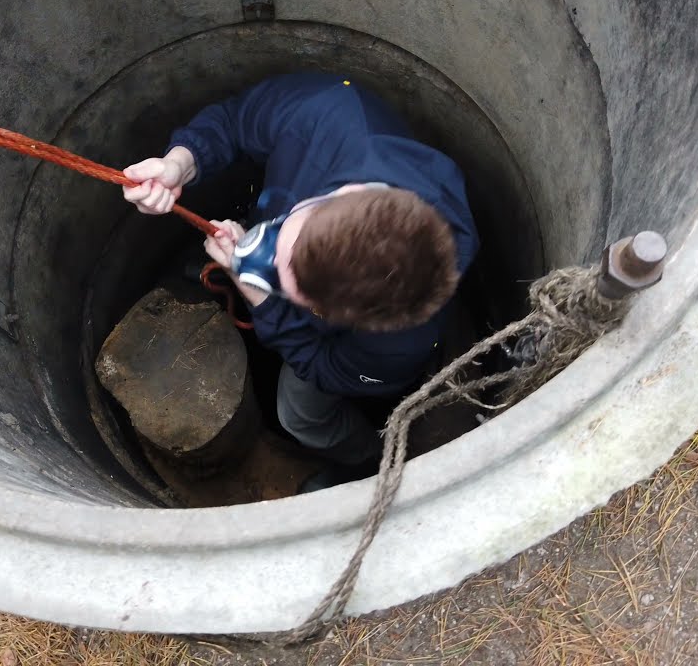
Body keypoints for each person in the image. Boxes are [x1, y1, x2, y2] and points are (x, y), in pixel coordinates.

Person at [123, 73, 479, 492]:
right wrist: (181, 163)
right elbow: (237, 120)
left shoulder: (402, 337)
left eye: (278, 276)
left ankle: (365, 462)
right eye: (278, 233)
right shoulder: (331, 115)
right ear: (351, 190)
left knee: (299, 415)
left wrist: (259, 297)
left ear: (336, 314)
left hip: (340, 352)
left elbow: (329, 367)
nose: (258, 249)